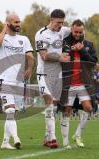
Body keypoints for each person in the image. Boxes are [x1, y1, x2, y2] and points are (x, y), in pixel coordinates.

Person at [0, 12, 34, 150]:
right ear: (8, 23)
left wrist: (29, 69)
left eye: (19, 21)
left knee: (13, 112)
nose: (19, 24)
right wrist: (4, 28)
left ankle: (5, 142)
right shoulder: (0, 37)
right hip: (5, 79)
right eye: (15, 22)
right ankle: (16, 138)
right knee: (10, 110)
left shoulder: (24, 39)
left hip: (19, 81)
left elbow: (30, 56)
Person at [35, 9, 71, 148]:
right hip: (43, 73)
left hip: (57, 74)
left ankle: (47, 136)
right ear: (51, 20)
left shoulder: (63, 31)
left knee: (54, 105)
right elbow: (44, 56)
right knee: (49, 103)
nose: (60, 26)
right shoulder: (41, 34)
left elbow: (75, 31)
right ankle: (53, 139)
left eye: (62, 23)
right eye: (58, 23)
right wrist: (60, 57)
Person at [60, 19, 97, 148]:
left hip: (83, 84)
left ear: (83, 31)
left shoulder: (88, 45)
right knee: (67, 111)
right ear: (71, 29)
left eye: (80, 32)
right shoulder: (63, 43)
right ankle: (65, 142)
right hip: (67, 83)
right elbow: (59, 61)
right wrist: (70, 50)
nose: (77, 34)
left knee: (89, 108)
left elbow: (93, 63)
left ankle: (77, 135)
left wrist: (82, 51)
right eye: (75, 31)